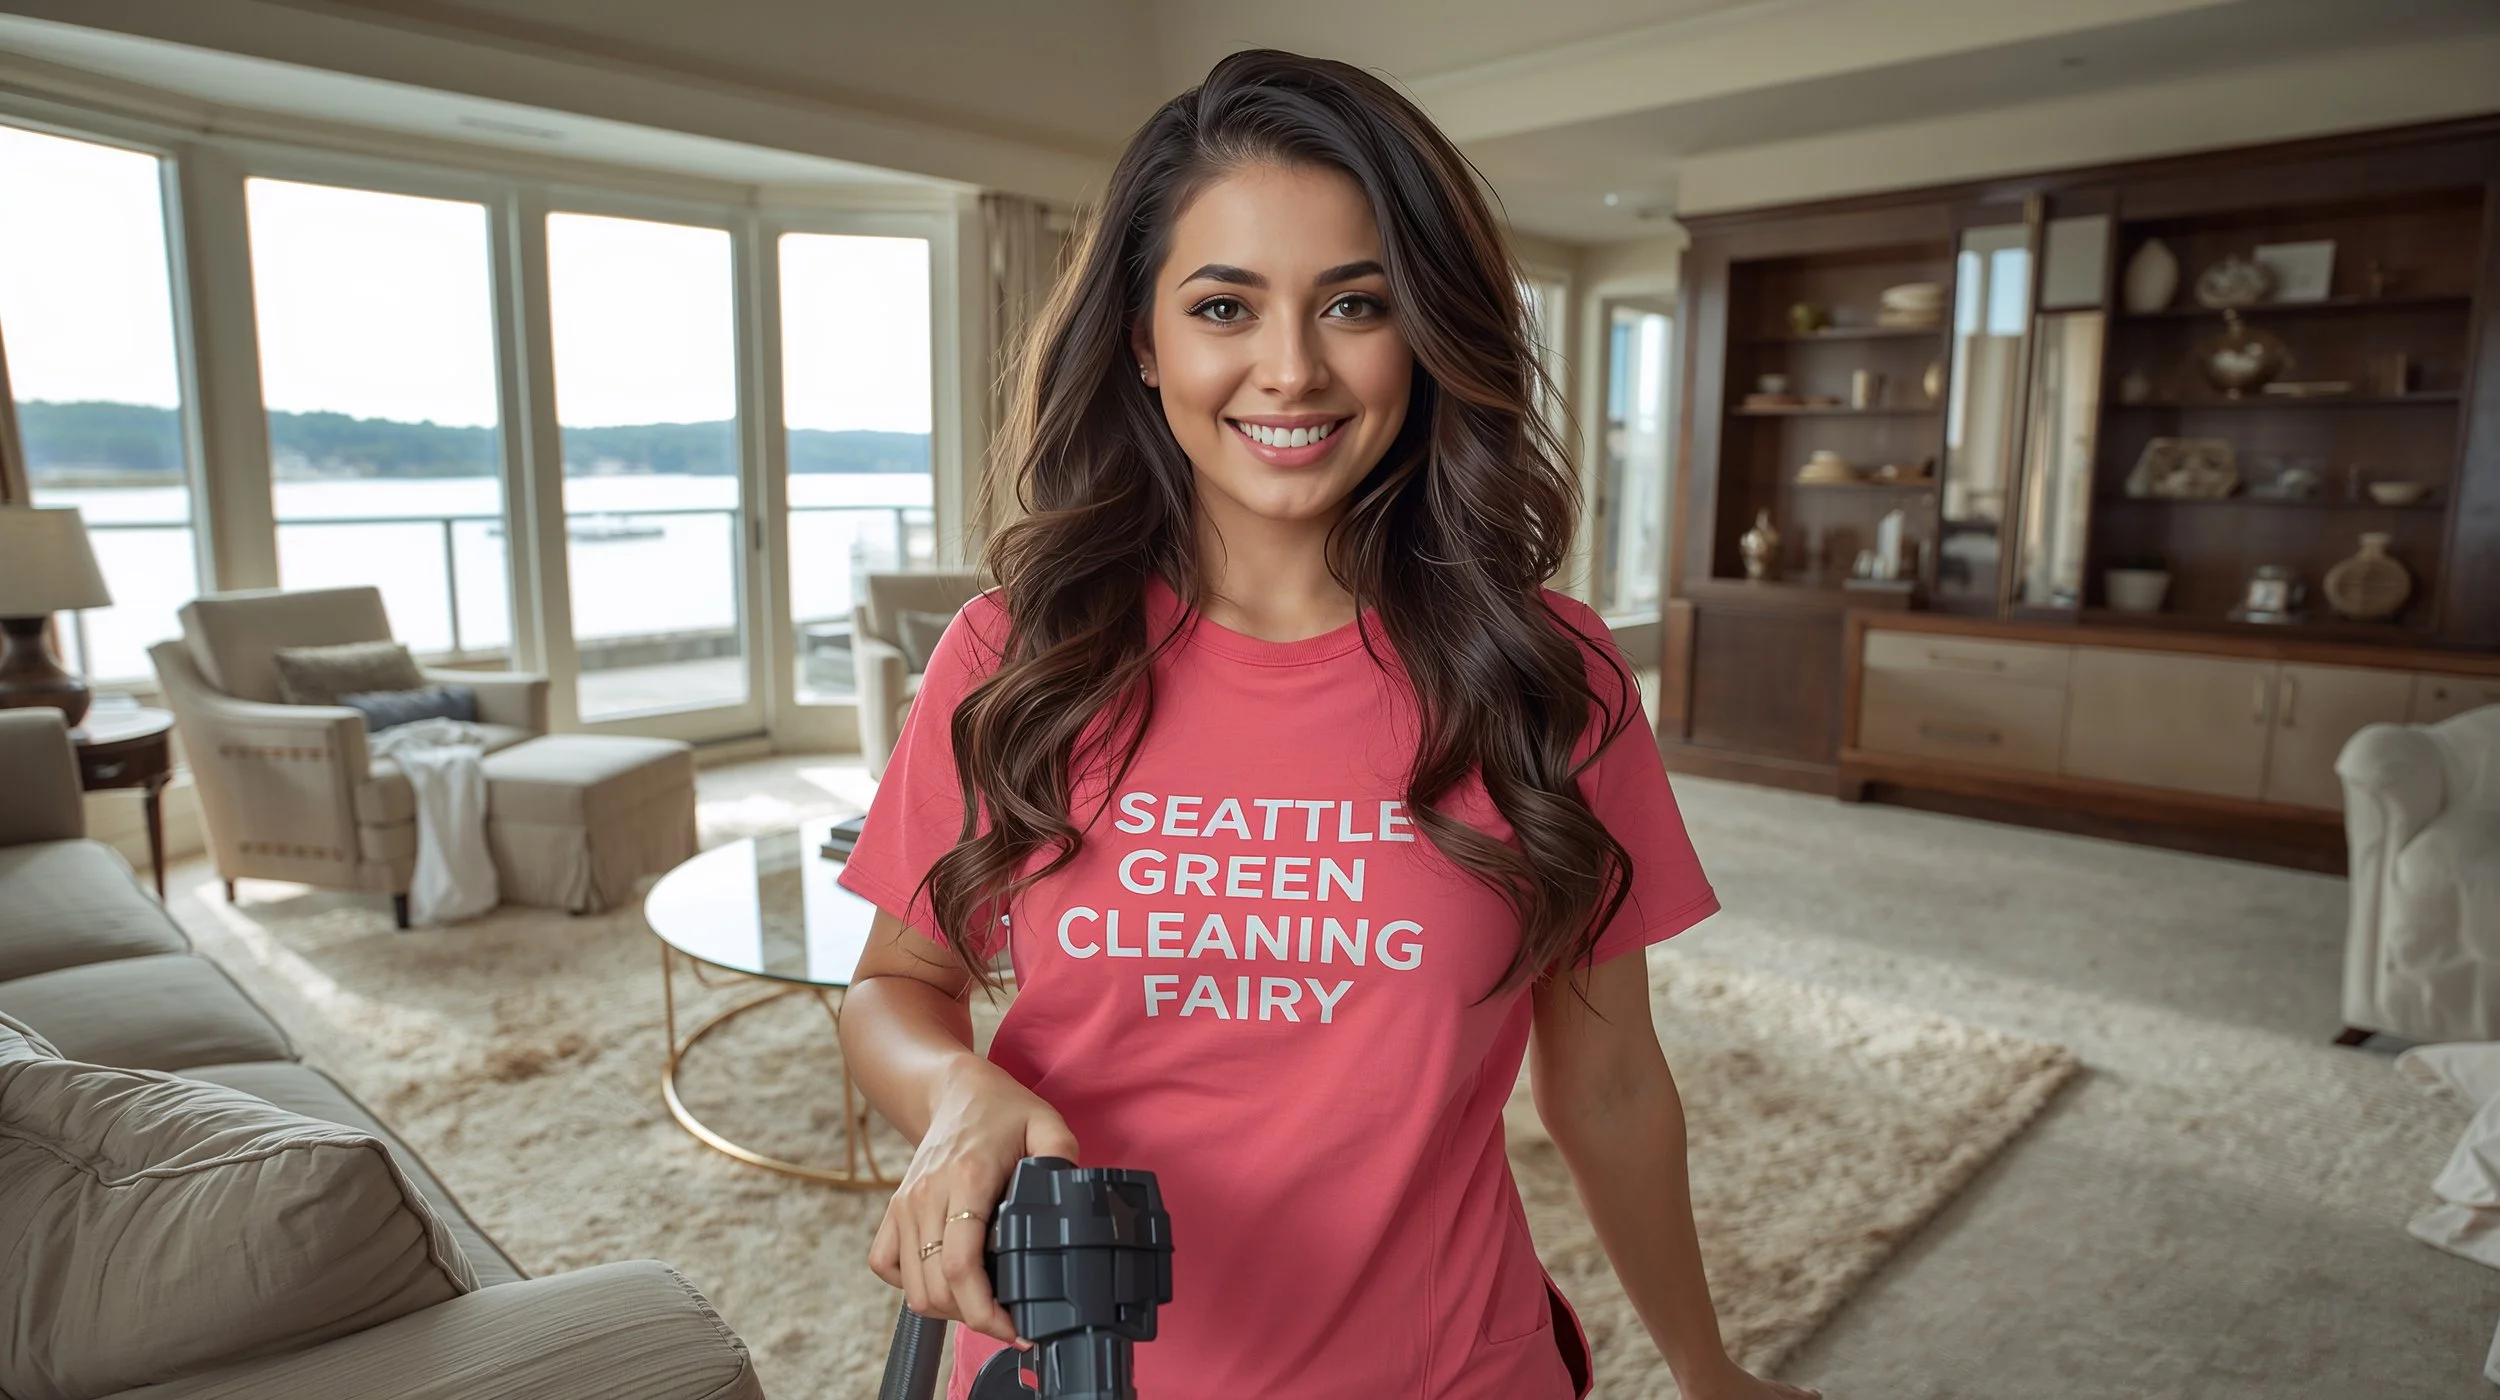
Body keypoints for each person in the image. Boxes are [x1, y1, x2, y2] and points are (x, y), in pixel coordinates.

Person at [834, 47, 1820, 1400]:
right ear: (1145, 341)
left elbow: (1606, 1086)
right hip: (1070, 1370)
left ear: (1424, 333)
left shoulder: (1548, 676)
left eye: (1355, 303)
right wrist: (959, 1092)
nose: (1291, 369)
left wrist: (1710, 1372)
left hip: (1446, 1371)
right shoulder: (1016, 656)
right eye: (1224, 306)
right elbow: (896, 986)